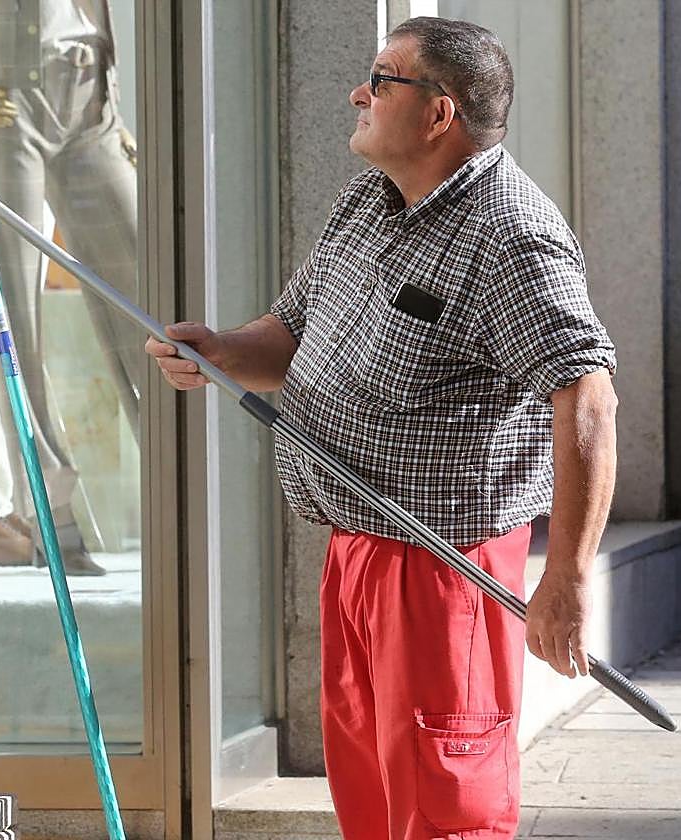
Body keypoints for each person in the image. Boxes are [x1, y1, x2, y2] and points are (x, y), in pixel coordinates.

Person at [146, 17, 617, 840]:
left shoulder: (512, 235)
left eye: (383, 77)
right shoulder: (368, 201)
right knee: (369, 792)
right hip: (357, 545)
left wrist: (569, 581)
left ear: (441, 113)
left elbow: (589, 399)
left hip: (446, 569)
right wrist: (221, 350)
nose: (359, 92)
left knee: (444, 804)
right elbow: (290, 333)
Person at [0, 0, 143, 574]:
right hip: (4, 95)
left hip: (90, 95)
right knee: (16, 320)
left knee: (151, 300)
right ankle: (54, 517)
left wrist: (112, 99)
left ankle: (191, 487)